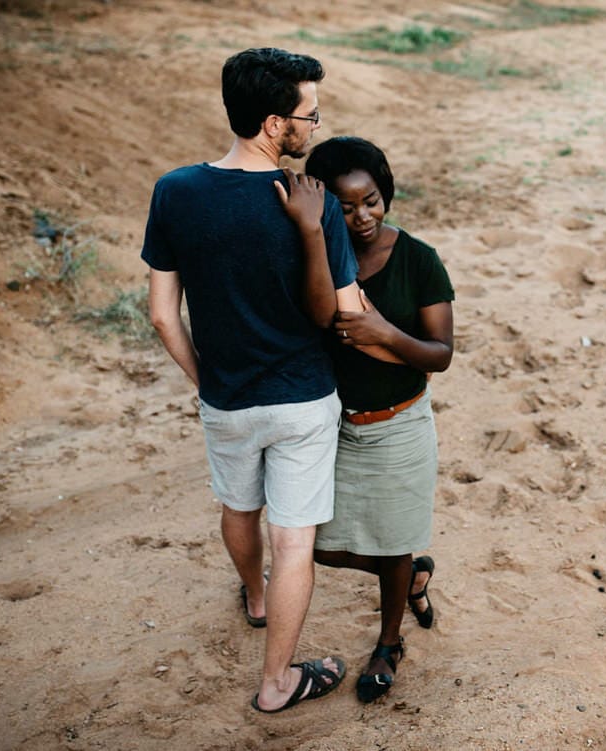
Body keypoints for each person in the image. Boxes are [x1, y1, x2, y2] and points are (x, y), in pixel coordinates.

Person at [141, 48, 358, 713]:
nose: (314, 126)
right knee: (293, 542)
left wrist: (206, 378)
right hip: (303, 399)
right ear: (273, 123)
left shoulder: (175, 191)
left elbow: (162, 314)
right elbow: (345, 310)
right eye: (309, 115)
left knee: (238, 508)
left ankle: (256, 599)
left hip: (227, 399)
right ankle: (276, 682)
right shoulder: (311, 202)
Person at [293, 136, 454, 702]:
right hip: (333, 426)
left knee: (393, 545)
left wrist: (383, 331)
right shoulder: (317, 257)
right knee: (314, 548)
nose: (362, 217)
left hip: (400, 424)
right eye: (345, 207)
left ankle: (389, 643)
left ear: (385, 195)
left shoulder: (418, 259)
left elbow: (440, 354)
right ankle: (409, 574)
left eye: (372, 201)